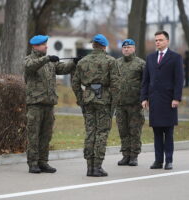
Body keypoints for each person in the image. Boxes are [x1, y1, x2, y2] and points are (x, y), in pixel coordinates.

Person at [24, 35, 78, 173]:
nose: (46, 47)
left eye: (46, 44)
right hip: (35, 105)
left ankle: (43, 162)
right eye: (43, 45)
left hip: (49, 105)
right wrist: (47, 58)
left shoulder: (50, 63)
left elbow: (63, 68)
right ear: (35, 46)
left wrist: (74, 63)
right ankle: (33, 163)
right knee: (33, 135)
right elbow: (30, 67)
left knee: (46, 136)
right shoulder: (29, 60)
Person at [72, 34, 118, 177]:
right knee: (102, 132)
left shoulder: (83, 61)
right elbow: (116, 85)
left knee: (90, 131)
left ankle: (89, 167)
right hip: (103, 99)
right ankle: (97, 166)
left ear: (93, 45)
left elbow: (75, 83)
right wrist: (113, 105)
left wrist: (81, 99)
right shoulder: (111, 61)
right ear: (104, 46)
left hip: (88, 99)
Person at [140, 31, 184, 170]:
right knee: (157, 132)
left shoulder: (175, 58)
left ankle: (169, 160)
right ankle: (158, 161)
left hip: (169, 101)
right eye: (156, 40)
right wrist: (144, 98)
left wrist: (176, 98)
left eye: (160, 40)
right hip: (154, 101)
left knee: (168, 133)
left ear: (167, 41)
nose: (157, 42)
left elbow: (179, 80)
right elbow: (145, 80)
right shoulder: (150, 58)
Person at [115, 39, 145, 166]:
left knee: (135, 130)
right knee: (123, 130)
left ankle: (134, 156)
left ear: (134, 48)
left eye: (129, 47)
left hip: (135, 104)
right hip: (120, 104)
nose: (126, 49)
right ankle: (125, 155)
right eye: (124, 48)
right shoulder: (117, 63)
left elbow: (146, 84)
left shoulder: (141, 64)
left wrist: (144, 99)